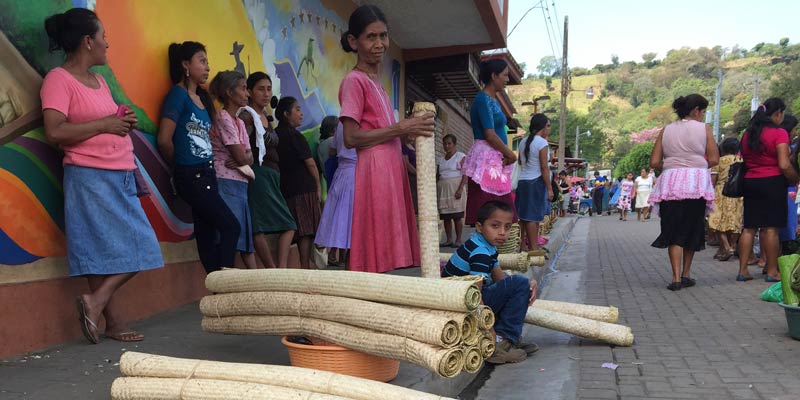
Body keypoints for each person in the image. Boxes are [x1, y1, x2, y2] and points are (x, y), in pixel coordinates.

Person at [42, 8, 163, 343]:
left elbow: (103, 122)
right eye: (103, 36)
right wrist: (106, 124)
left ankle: (99, 308)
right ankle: (107, 316)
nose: (106, 44)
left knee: (133, 248)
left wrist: (122, 120)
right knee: (119, 250)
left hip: (121, 173)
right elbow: (55, 131)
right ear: (87, 41)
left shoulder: (100, 82)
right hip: (89, 176)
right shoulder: (58, 80)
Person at [338, 5, 433, 273]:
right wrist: (400, 127)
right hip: (374, 170)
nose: (379, 44)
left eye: (383, 36)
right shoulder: (354, 81)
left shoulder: (376, 82)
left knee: (389, 252)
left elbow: (383, 129)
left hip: (390, 168)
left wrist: (406, 131)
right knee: (376, 253)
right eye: (371, 37)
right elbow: (351, 137)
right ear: (353, 41)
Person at [157, 41, 240, 274]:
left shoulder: (201, 99)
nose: (207, 67)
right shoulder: (178, 95)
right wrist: (181, 164)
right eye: (202, 61)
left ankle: (216, 287)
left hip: (207, 172)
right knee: (231, 226)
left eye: (207, 62)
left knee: (206, 233)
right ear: (186, 65)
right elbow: (164, 139)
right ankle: (225, 284)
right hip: (191, 174)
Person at [442, 201, 538, 364]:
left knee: (521, 284)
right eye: (495, 226)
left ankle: (509, 337)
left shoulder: (485, 245)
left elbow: (501, 279)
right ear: (479, 227)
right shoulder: (480, 252)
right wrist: (489, 331)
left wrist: (528, 285)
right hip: (460, 302)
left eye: (507, 227)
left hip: (467, 295)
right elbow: (475, 297)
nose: (502, 232)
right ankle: (499, 343)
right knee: (519, 283)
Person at [649, 94, 719, 290]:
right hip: (696, 183)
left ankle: (675, 278)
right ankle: (686, 274)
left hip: (670, 183)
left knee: (673, 230)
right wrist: (696, 164)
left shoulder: (666, 130)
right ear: (696, 110)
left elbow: (654, 162)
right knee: (692, 228)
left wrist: (673, 165)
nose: (702, 115)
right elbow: (714, 159)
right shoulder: (704, 129)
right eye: (702, 111)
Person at [238, 72, 297, 268]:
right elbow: (241, 144)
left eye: (269, 89)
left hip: (271, 175)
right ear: (249, 92)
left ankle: (280, 270)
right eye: (260, 89)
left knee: (288, 225)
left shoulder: (264, 116)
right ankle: (272, 270)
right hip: (258, 173)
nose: (266, 94)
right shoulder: (247, 116)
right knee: (259, 226)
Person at [737, 99, 798, 282]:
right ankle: (771, 271)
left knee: (749, 228)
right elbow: (784, 164)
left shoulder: (748, 134)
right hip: (772, 182)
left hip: (750, 182)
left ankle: (742, 270)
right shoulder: (779, 133)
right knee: (771, 228)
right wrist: (795, 178)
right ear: (778, 113)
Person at [208, 70, 256, 268]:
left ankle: (253, 281)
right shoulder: (223, 117)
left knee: (243, 239)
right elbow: (242, 155)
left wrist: (243, 159)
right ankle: (228, 278)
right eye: (243, 89)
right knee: (231, 239)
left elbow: (249, 157)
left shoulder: (240, 122)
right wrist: (243, 159)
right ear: (229, 92)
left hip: (239, 183)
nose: (247, 94)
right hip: (225, 181)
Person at [462, 58, 518, 225]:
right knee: (489, 211)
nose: (507, 79)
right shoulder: (483, 99)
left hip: (495, 158)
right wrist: (510, 154)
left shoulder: (493, 100)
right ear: (494, 76)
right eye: (505, 75)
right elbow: (490, 135)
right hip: (486, 159)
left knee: (499, 211)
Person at [275, 97, 322, 269]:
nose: (301, 114)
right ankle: (304, 267)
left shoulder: (275, 135)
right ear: (286, 114)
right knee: (305, 230)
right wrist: (318, 186)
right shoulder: (295, 136)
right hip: (303, 188)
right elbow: (310, 163)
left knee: (292, 228)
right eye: (297, 109)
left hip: (285, 188)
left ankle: (285, 267)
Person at [315, 122, 357, 267]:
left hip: (340, 174)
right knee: (351, 222)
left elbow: (333, 151)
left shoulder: (341, 124)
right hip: (353, 175)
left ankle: (340, 257)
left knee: (340, 218)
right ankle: (348, 261)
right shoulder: (356, 123)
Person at [515, 114, 553, 251]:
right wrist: (549, 188)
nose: (549, 129)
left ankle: (523, 246)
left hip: (522, 181)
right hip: (535, 181)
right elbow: (544, 167)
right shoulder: (542, 143)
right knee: (533, 217)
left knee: (523, 216)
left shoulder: (523, 142)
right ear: (543, 126)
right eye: (548, 126)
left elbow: (520, 162)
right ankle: (533, 248)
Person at [708, 137, 743, 262]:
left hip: (721, 193)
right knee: (734, 222)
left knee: (717, 222)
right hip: (737, 194)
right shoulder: (741, 160)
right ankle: (732, 246)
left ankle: (726, 247)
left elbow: (713, 181)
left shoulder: (719, 161)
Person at [437, 134, 467, 247]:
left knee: (457, 215)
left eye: (449, 143)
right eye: (445, 144)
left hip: (455, 188)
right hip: (443, 189)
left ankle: (458, 240)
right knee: (446, 216)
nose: (447, 146)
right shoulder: (441, 159)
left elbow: (465, 174)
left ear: (454, 144)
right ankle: (449, 239)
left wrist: (460, 189)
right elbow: (438, 175)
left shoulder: (460, 156)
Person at [779, 115, 799, 251]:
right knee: (789, 226)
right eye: (794, 129)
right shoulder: (788, 149)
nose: (795, 132)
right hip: (791, 190)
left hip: (784, 189)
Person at [317, 115, 338, 186]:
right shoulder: (332, 141)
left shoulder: (321, 145)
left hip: (331, 182)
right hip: (338, 181)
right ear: (333, 129)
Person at [402, 134, 418, 213]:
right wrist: (417, 174)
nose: (412, 136)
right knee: (412, 197)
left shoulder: (414, 147)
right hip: (411, 176)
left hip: (417, 177)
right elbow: (407, 164)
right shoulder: (403, 146)